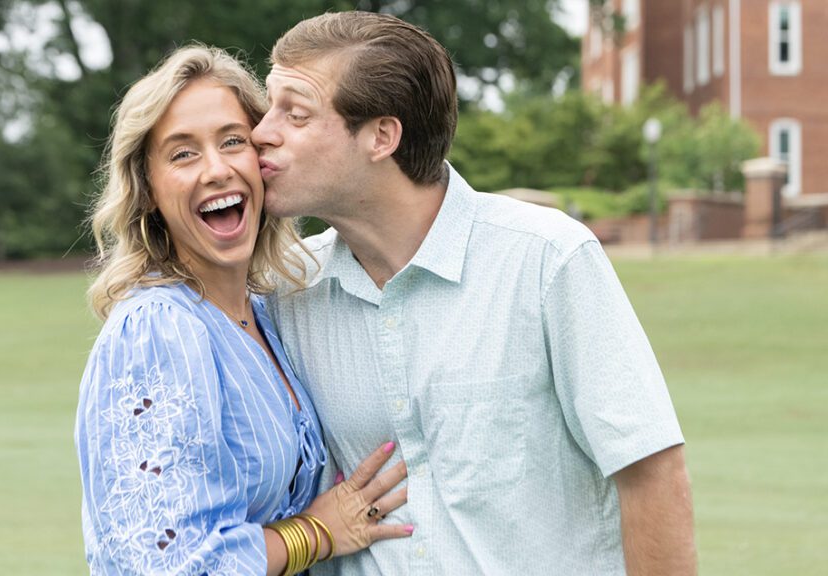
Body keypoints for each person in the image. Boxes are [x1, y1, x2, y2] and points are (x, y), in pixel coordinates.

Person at [254, 12, 697, 576]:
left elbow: (651, 474)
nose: (262, 131)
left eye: (295, 113)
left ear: (381, 137)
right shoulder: (284, 294)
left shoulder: (545, 259)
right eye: (269, 107)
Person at [75, 44, 413, 576]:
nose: (216, 169)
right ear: (148, 191)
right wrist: (317, 534)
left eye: (233, 142)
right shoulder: (159, 329)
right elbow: (165, 564)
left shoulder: (266, 312)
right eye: (183, 153)